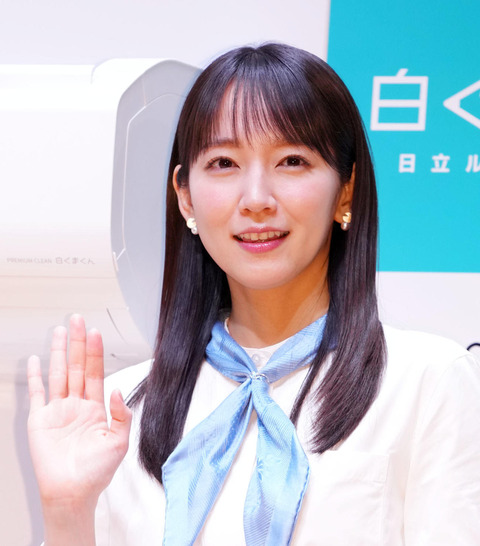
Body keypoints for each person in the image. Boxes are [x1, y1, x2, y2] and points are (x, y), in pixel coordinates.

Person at [27, 43, 480, 546]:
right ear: (185, 196)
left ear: (346, 190)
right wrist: (66, 511)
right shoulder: (121, 408)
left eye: (291, 161)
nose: (257, 199)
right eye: (224, 163)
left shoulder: (427, 381)